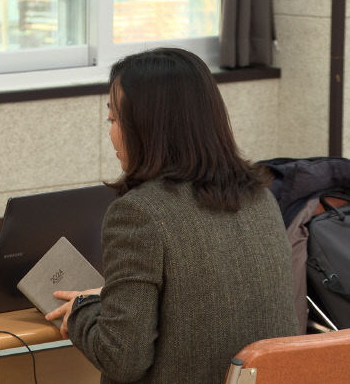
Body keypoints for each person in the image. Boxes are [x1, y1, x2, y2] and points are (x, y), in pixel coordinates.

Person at [45, 48, 298, 383]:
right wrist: (110, 296)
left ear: (148, 128)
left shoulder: (139, 214)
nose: (111, 133)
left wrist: (83, 309)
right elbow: (201, 300)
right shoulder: (260, 198)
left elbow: (122, 359)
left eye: (115, 120)